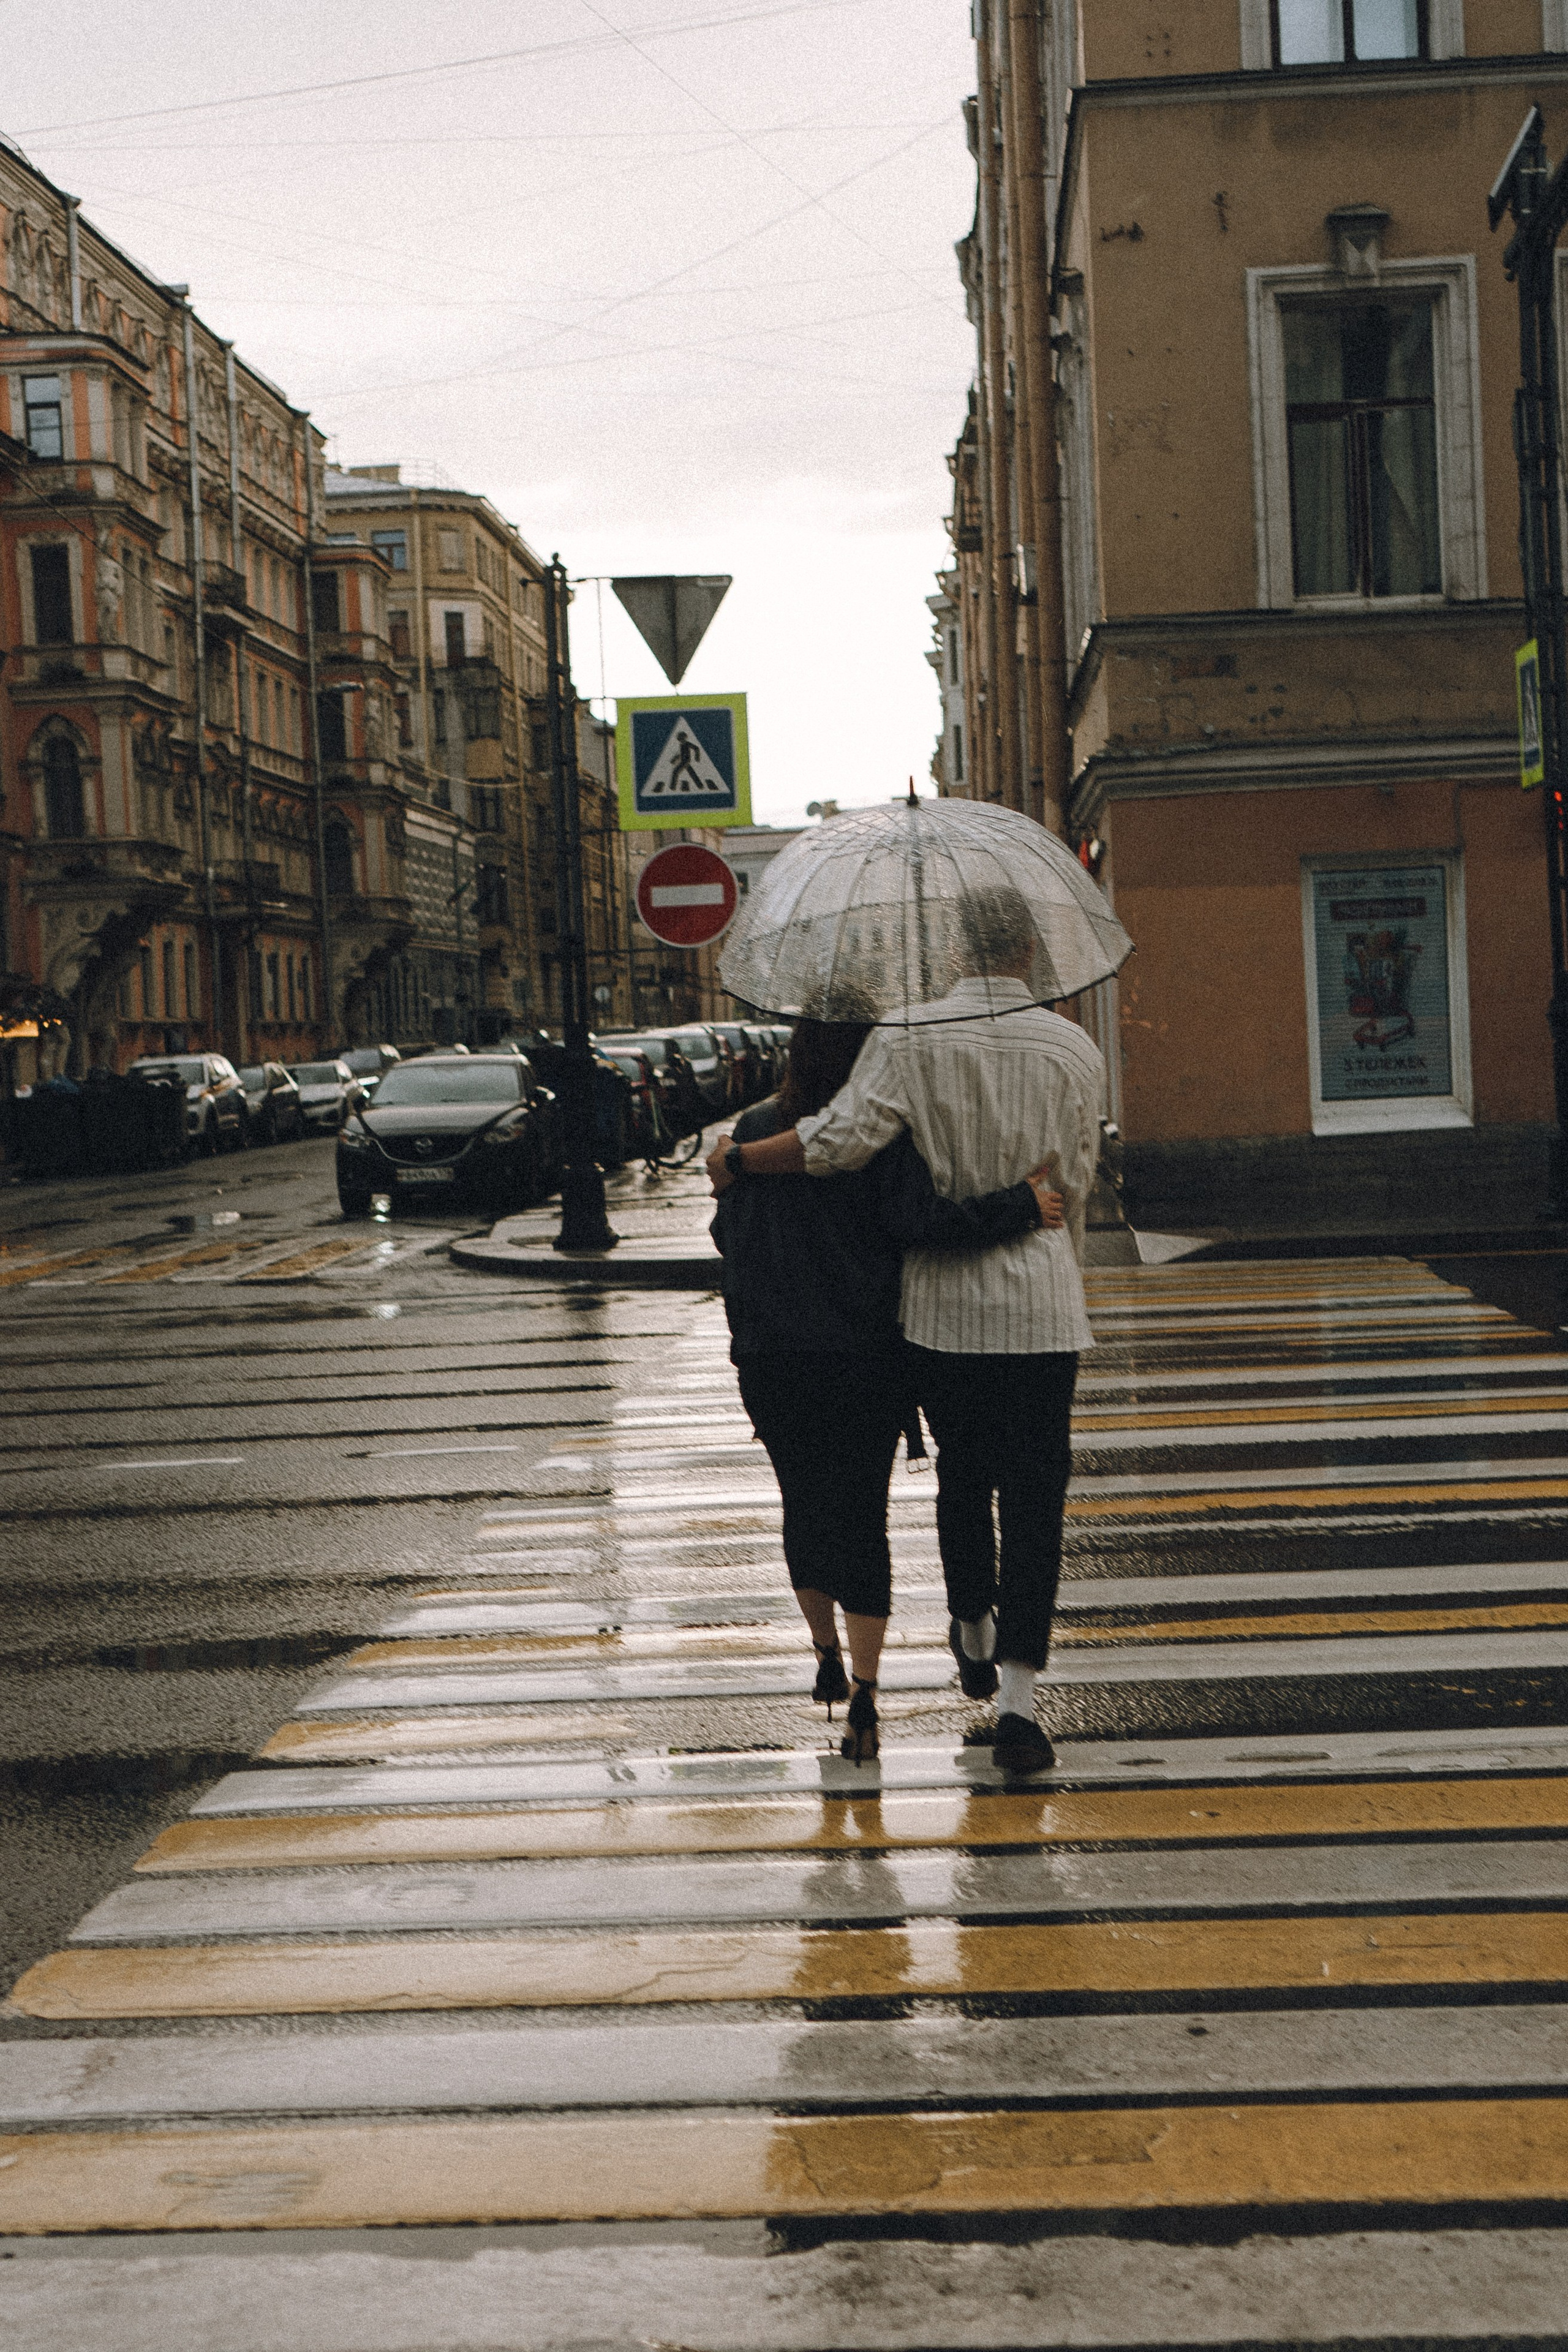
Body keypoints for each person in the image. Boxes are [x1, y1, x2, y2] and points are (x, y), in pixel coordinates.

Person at [708, 884, 1106, 1776]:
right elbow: (1075, 1179)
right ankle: (1019, 1704)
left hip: (943, 1314)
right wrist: (1054, 1254)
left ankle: (969, 1617)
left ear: (961, 948)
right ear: (1029, 953)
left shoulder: (911, 1037)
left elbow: (839, 1142)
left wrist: (738, 1159)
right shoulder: (1074, 1046)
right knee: (1038, 1503)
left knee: (964, 1480)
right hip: (1045, 1308)